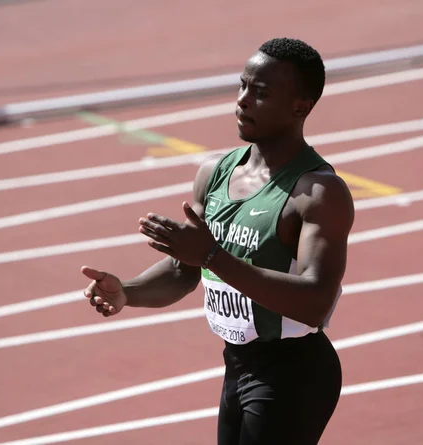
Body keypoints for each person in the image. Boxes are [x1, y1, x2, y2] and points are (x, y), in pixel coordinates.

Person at [81, 37, 355, 445]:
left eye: (260, 93)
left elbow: (315, 302)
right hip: (237, 362)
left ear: (301, 106)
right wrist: (128, 292)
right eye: (242, 86)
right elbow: (183, 271)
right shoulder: (215, 173)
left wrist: (212, 254)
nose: (242, 101)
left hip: (293, 374)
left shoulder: (317, 192)